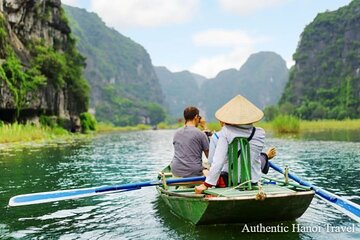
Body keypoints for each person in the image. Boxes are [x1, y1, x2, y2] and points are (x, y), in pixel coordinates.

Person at [195, 95, 268, 193]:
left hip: (231, 181)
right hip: (254, 180)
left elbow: (218, 161)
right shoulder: (260, 133)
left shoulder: (226, 132)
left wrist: (206, 184)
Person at [170, 106, 209, 177]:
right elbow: (209, 156)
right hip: (193, 172)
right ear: (196, 117)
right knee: (208, 170)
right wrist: (205, 127)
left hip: (176, 171)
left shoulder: (177, 133)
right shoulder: (200, 134)